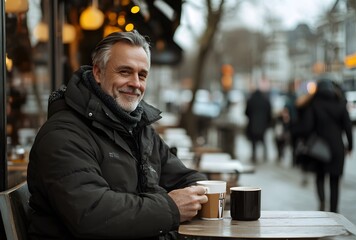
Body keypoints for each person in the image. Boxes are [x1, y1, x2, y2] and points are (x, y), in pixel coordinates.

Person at [27, 30, 208, 240]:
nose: (135, 83)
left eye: (142, 75)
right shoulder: (63, 134)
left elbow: (185, 178)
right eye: (125, 72)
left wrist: (198, 193)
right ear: (98, 72)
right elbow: (91, 215)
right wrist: (170, 208)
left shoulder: (139, 127)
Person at [294, 78, 353, 213]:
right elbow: (348, 127)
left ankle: (321, 203)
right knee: (335, 180)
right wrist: (350, 146)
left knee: (320, 177)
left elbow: (307, 127)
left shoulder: (314, 104)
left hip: (319, 148)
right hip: (338, 148)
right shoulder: (340, 104)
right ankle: (333, 209)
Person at [245, 88, 272, 164]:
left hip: (253, 124)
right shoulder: (265, 101)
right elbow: (269, 113)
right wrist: (267, 122)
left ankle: (254, 156)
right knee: (263, 141)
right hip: (263, 125)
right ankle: (265, 156)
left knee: (253, 142)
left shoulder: (251, 100)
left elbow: (246, 112)